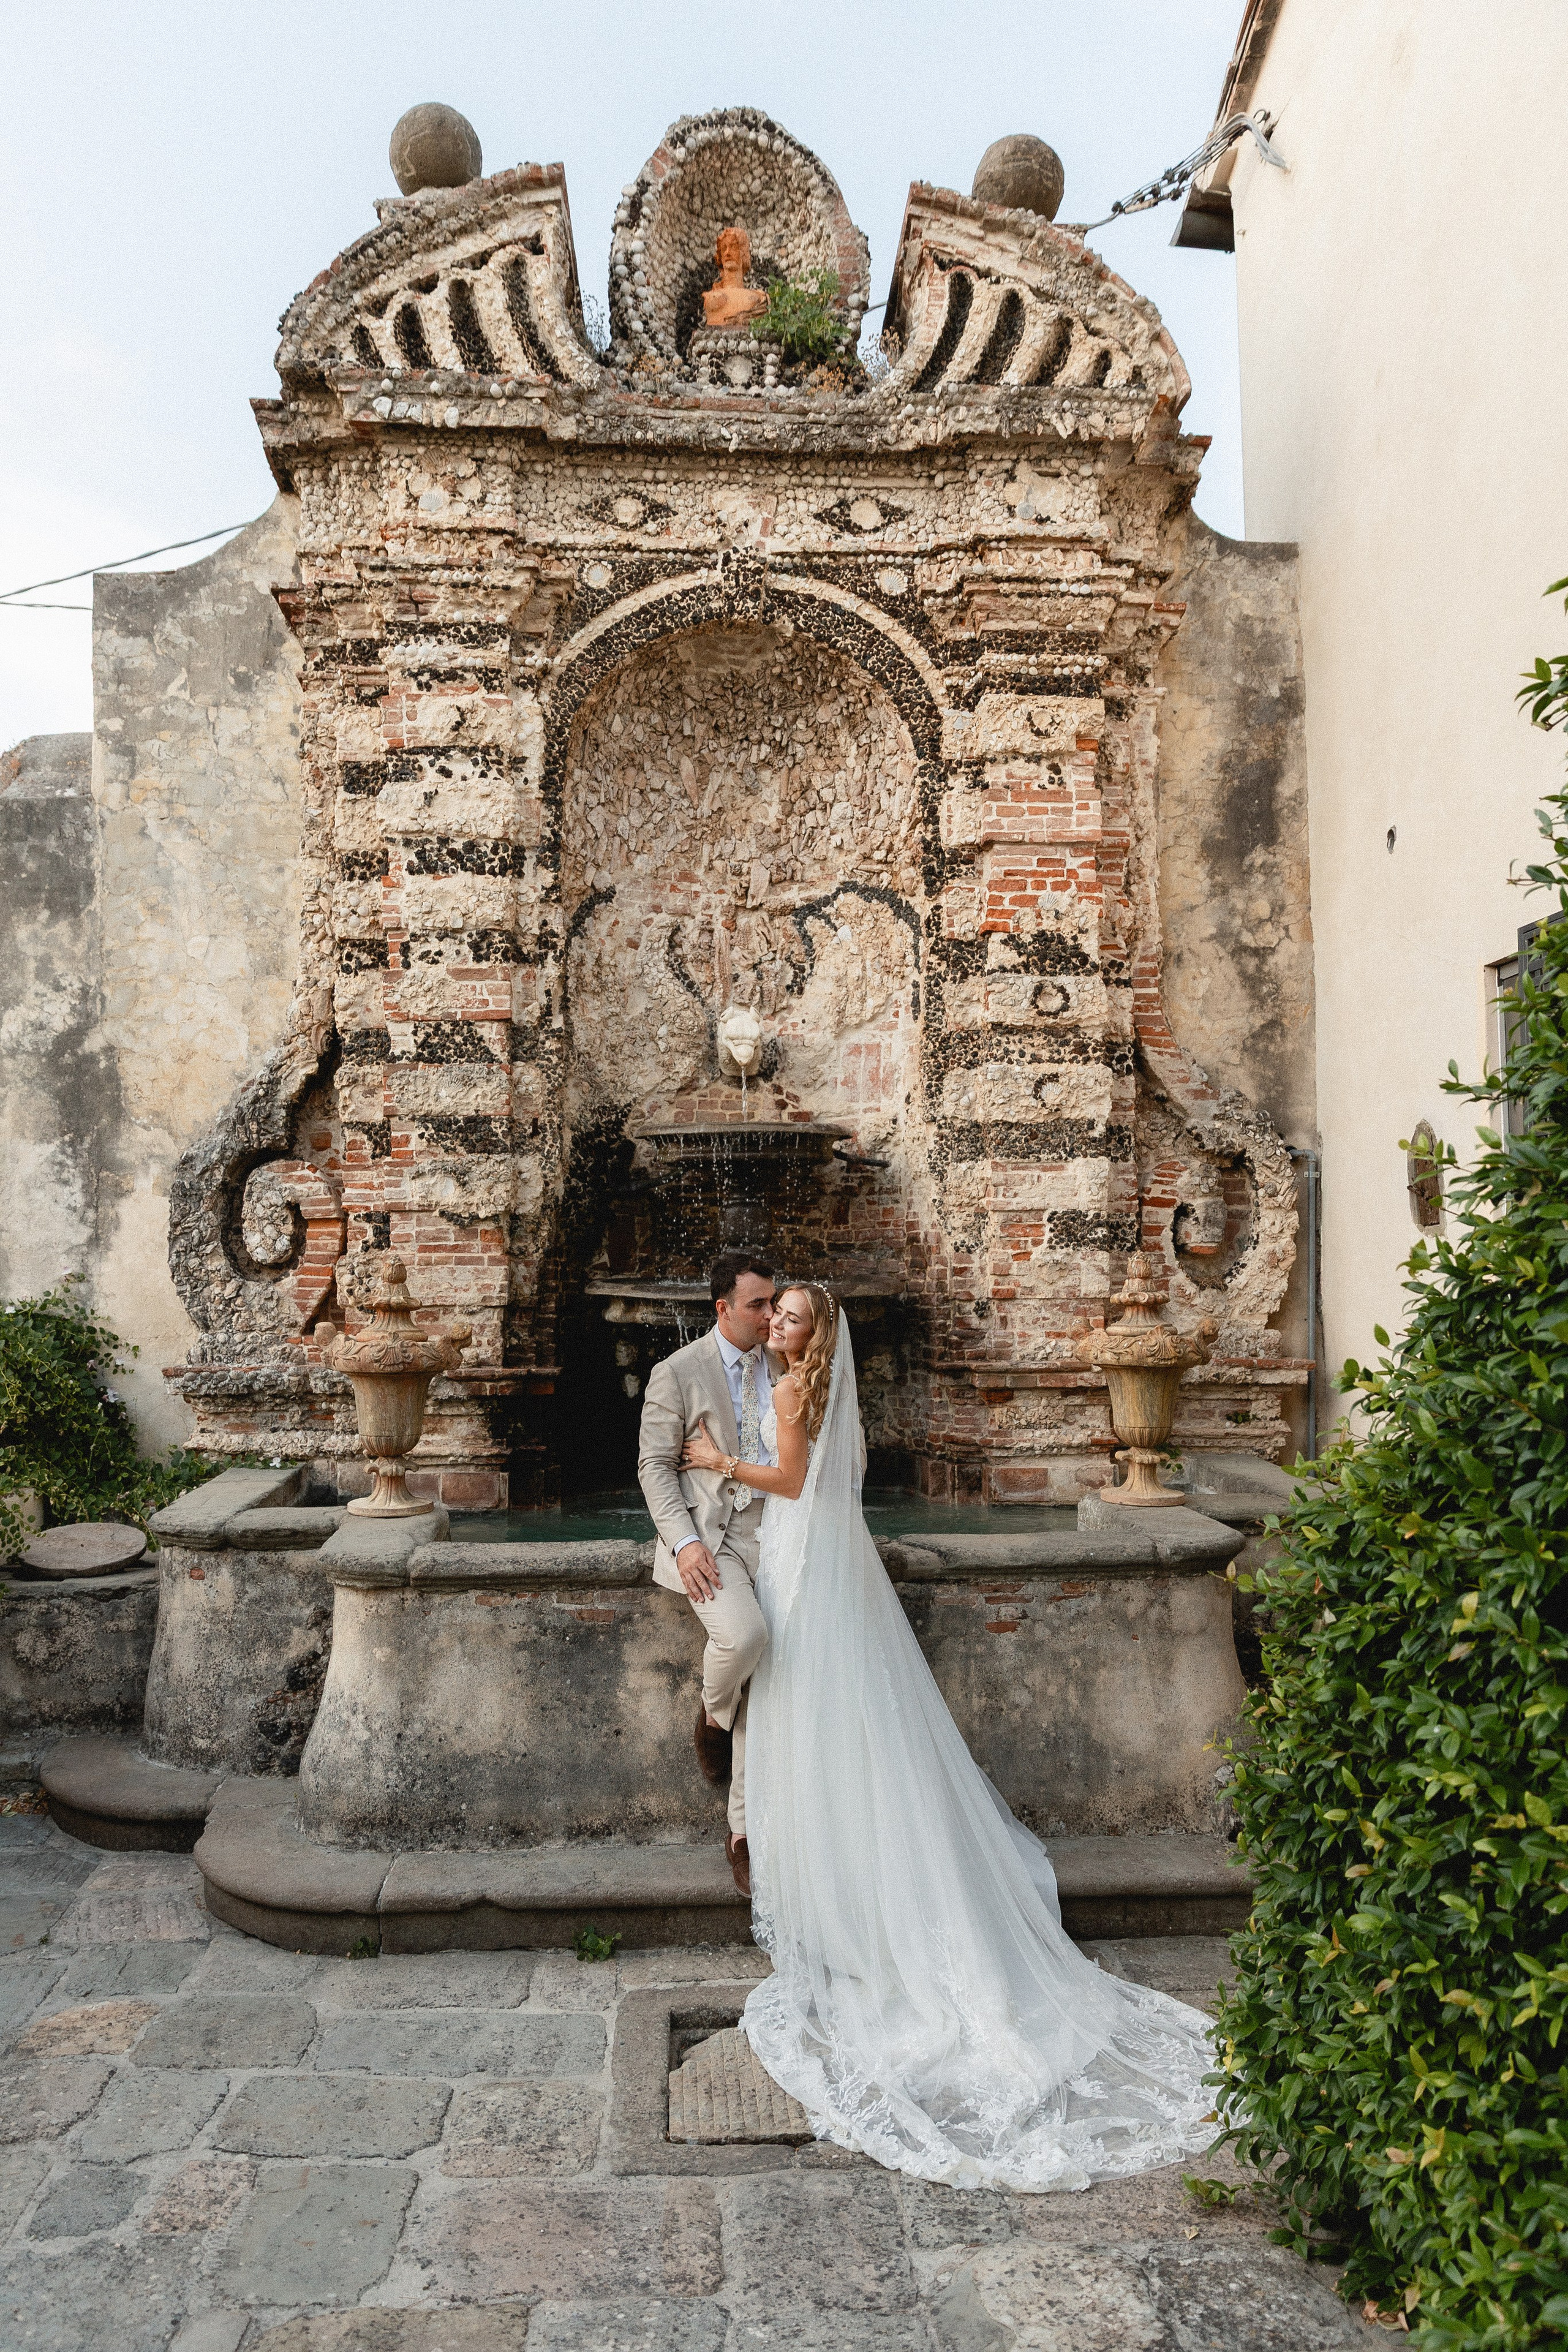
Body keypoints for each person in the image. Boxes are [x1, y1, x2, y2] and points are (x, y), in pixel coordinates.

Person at [680, 1281, 1219, 2192]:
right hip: (821, 1555)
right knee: (846, 1714)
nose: (776, 1324)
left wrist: (717, 1462)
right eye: (775, 1313)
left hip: (803, 1557)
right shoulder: (817, 1387)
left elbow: (792, 1482)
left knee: (811, 1710)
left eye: (792, 1317)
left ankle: (839, 1897)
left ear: (814, 1334)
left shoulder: (791, 1390)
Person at [636, 1251, 778, 1896]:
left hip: (780, 1536)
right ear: (723, 1309)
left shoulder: (786, 1361)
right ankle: (714, 1716)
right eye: (757, 1305)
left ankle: (741, 1835)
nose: (771, 1315)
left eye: (773, 1302)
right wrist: (686, 1544)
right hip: (713, 1539)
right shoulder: (677, 1371)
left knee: (769, 1679)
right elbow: (654, 1466)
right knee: (744, 1639)